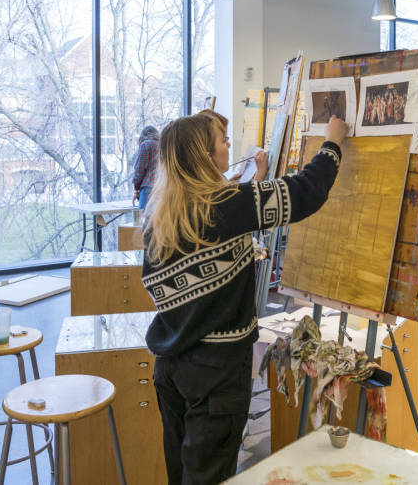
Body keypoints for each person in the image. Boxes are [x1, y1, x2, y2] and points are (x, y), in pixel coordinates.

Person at [142, 111, 345, 484]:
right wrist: (332, 143)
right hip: (217, 372)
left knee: (182, 471)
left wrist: (257, 180)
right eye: (221, 141)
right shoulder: (227, 204)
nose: (228, 145)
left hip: (170, 366)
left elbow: (223, 230)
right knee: (210, 475)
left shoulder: (161, 215)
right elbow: (305, 192)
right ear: (205, 156)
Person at [133, 125, 160, 209]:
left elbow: (139, 169)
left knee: (144, 219)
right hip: (163, 187)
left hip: (149, 188)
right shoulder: (163, 145)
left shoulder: (146, 145)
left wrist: (136, 188)